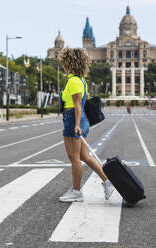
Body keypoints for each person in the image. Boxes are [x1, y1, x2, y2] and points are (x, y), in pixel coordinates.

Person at [59, 48, 114, 202]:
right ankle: (107, 182)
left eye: (64, 62)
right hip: (78, 119)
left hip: (74, 119)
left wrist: (76, 125)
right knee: (84, 156)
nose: (62, 64)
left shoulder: (74, 81)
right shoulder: (80, 80)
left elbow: (77, 105)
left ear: (69, 62)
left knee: (74, 158)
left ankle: (76, 192)